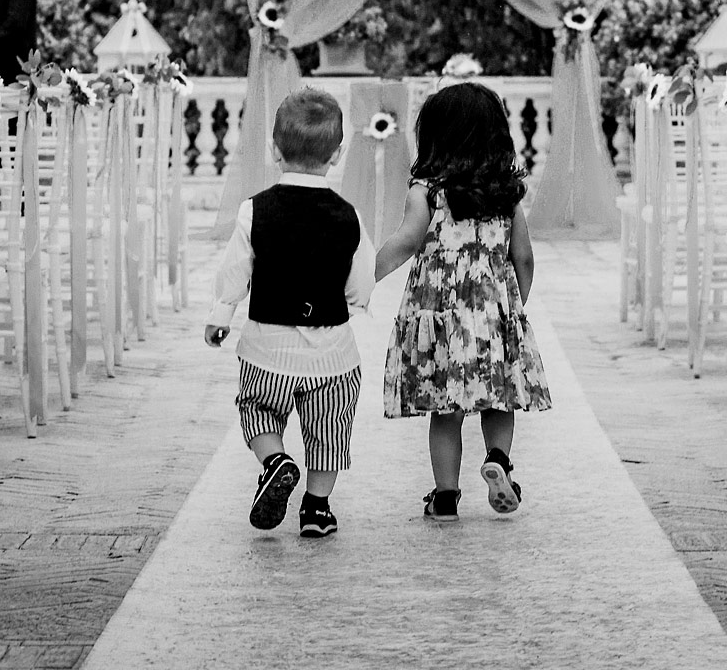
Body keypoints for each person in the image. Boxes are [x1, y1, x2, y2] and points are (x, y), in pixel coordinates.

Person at [375, 80, 551, 521]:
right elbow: (524, 257)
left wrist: (363, 277)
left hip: (441, 320)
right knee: (499, 399)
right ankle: (497, 458)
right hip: (493, 316)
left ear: (434, 136)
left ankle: (446, 496)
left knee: (445, 410)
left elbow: (405, 242)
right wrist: (515, 308)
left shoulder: (427, 192)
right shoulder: (506, 194)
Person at [203, 88, 375, 539]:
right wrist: (353, 301)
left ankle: (275, 460)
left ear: (275, 150)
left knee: (257, 410)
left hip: (265, 346)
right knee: (329, 432)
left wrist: (222, 314)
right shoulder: (349, 216)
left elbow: (236, 269)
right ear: (336, 155)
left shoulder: (253, 211)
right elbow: (361, 281)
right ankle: (317, 509)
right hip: (332, 355)